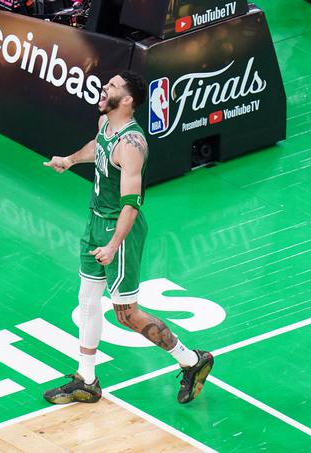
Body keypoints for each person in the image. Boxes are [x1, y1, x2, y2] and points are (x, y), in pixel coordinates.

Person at [42, 70, 214, 405]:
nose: (105, 88)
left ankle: (192, 360)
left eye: (113, 86)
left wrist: (112, 245)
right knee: (87, 300)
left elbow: (132, 205)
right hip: (95, 223)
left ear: (129, 100)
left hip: (119, 231)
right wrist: (70, 159)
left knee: (127, 313)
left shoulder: (132, 145)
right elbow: (98, 147)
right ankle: (87, 380)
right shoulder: (106, 124)